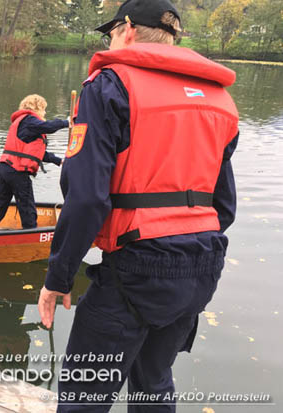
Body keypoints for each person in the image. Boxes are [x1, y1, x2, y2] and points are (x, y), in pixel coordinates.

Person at [37, 0, 239, 411]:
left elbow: (87, 198)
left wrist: (58, 278)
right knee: (154, 385)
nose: (109, 39)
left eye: (109, 30)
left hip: (135, 267)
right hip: (201, 265)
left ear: (127, 28)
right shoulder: (219, 100)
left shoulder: (110, 85)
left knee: (83, 397)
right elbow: (225, 205)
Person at [0, 94, 68, 230]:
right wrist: (67, 122)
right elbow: (49, 126)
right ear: (37, 107)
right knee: (27, 206)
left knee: (1, 203)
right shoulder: (30, 121)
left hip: (5, 168)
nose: (45, 112)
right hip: (17, 171)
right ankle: (30, 233)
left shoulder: (24, 122)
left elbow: (33, 153)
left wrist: (59, 161)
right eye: (44, 109)